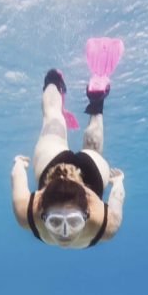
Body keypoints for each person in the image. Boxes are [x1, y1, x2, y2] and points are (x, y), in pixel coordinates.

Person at [11, 69, 125, 249]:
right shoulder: (105, 226)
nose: (65, 233)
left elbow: (17, 178)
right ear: (43, 216)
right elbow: (116, 201)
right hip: (89, 177)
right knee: (53, 121)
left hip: (55, 167)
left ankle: (93, 103)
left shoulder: (26, 214)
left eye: (74, 222)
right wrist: (118, 182)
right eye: (55, 222)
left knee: (56, 124)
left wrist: (19, 164)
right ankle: (59, 83)